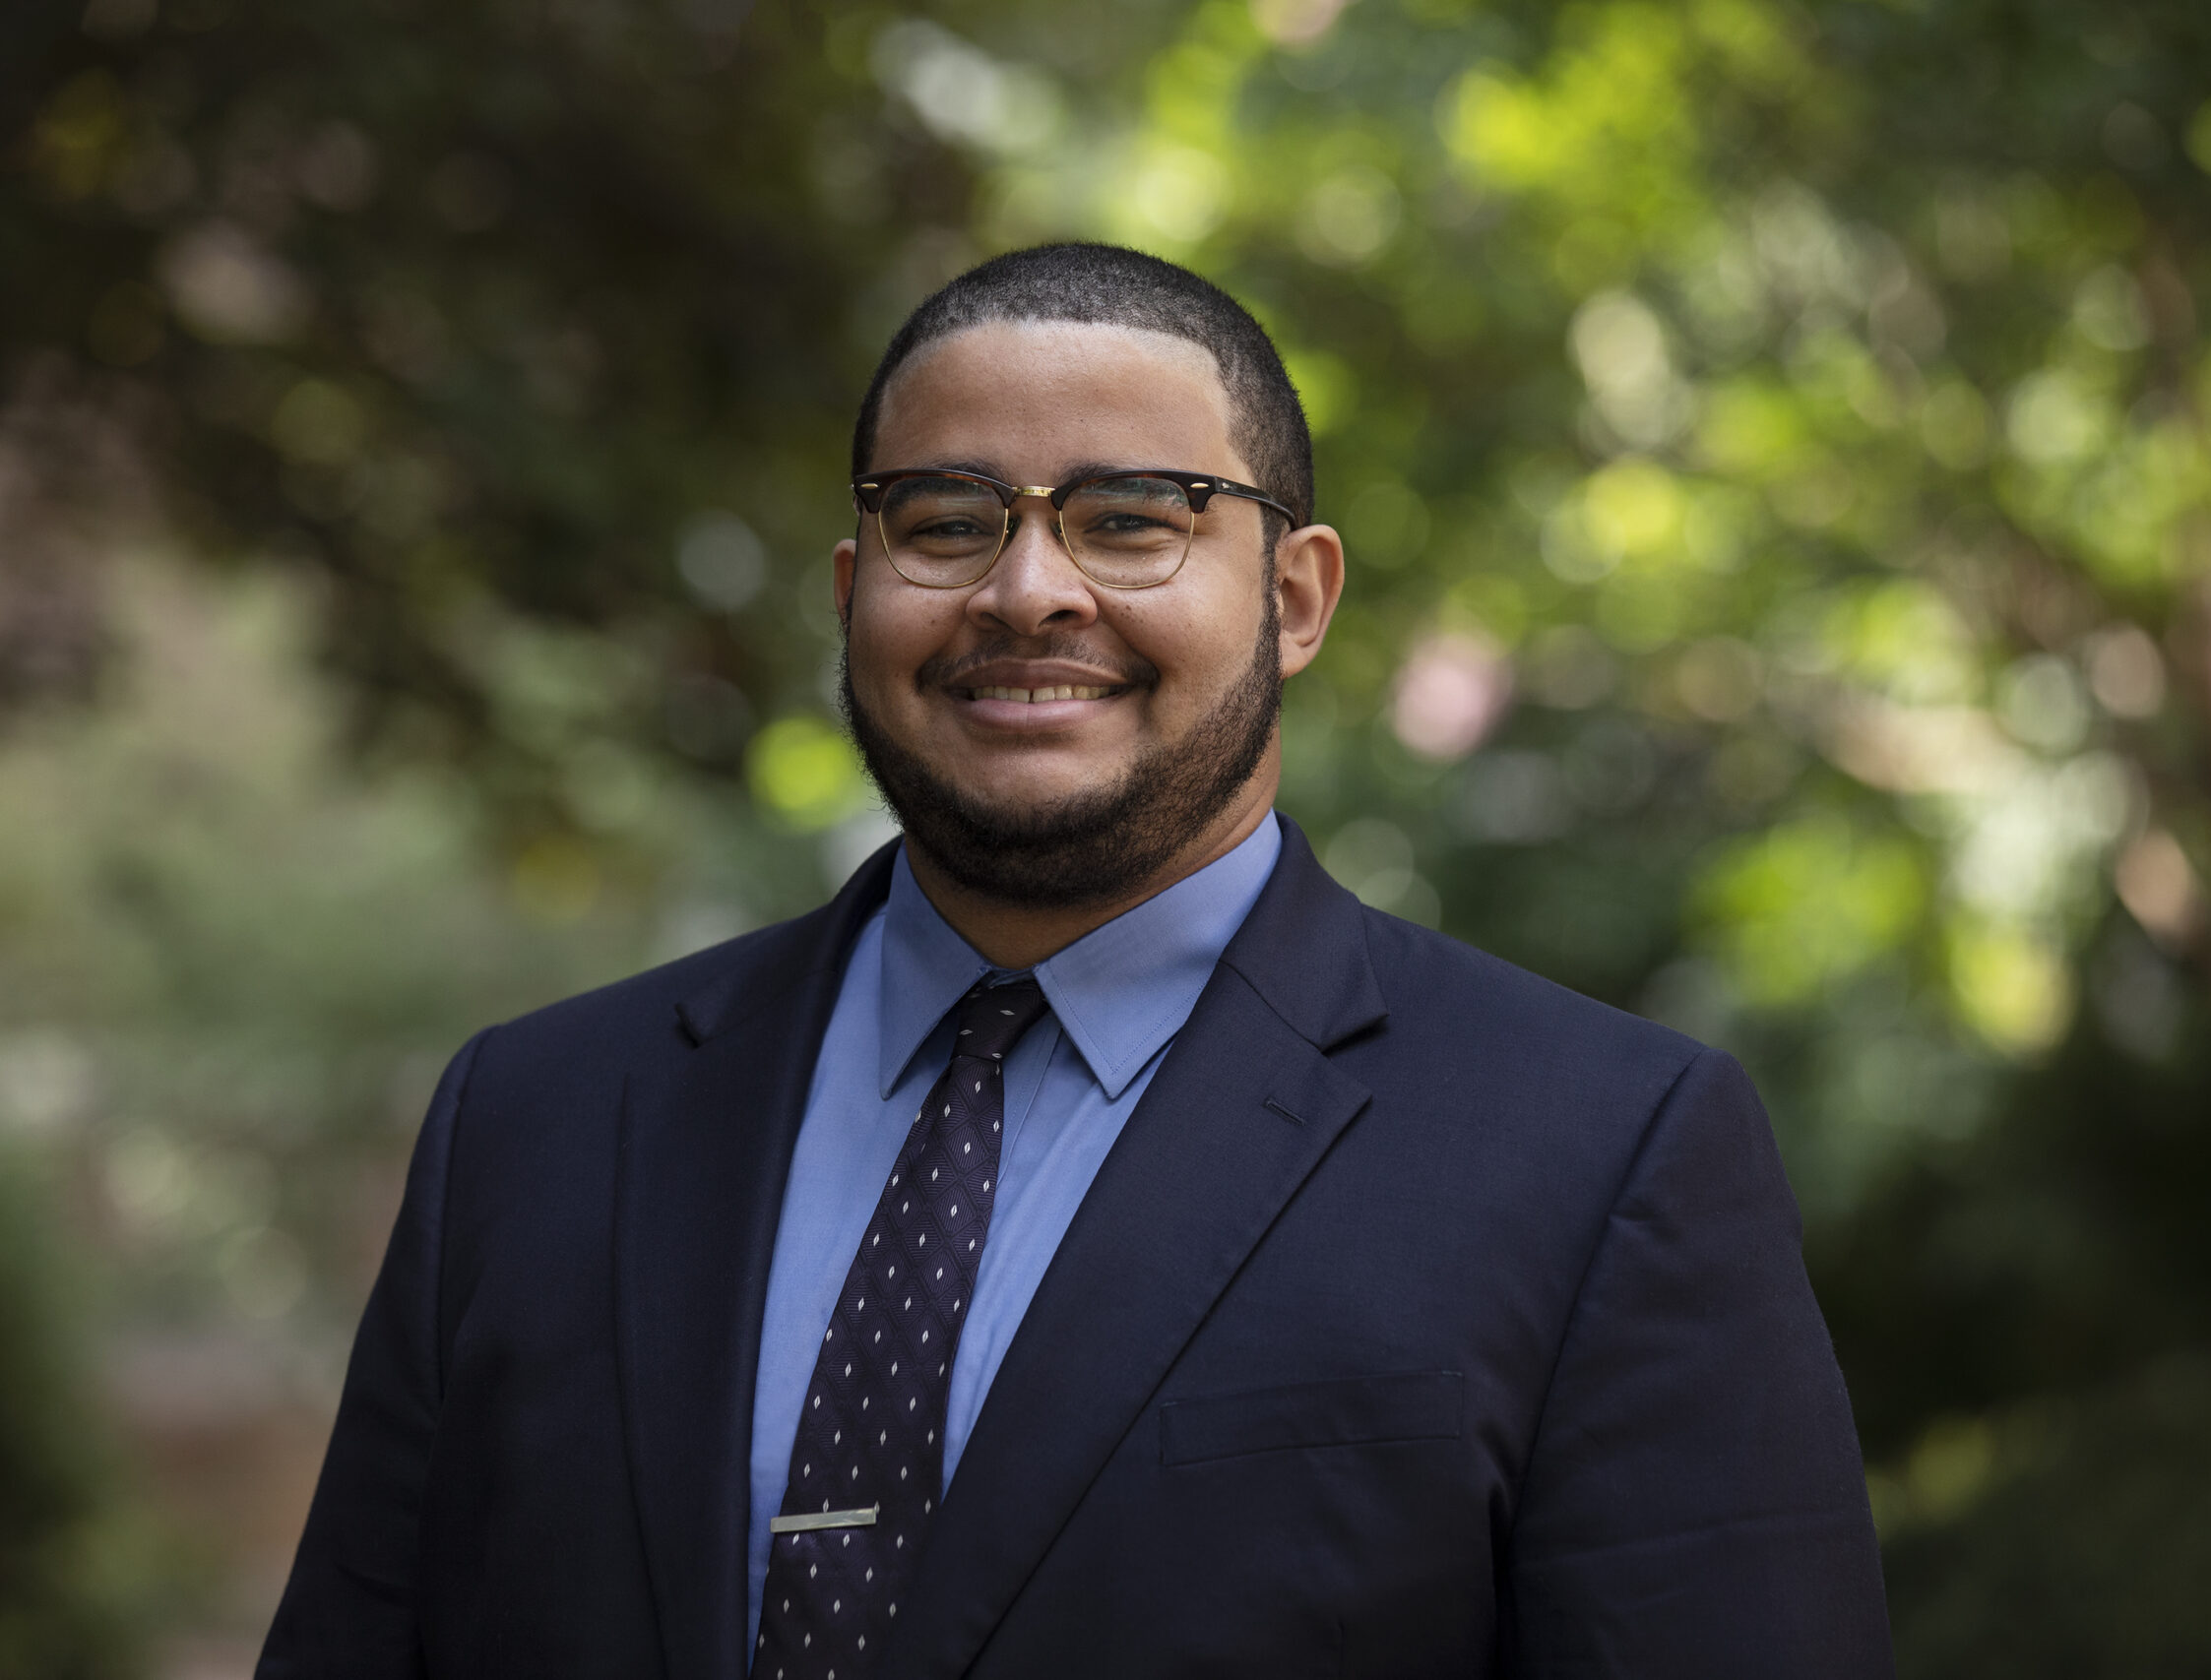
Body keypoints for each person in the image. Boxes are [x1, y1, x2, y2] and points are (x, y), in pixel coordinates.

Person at [258, 243, 1892, 1678]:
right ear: (855, 593)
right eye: (946, 521)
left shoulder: (1603, 1154)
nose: (1029, 591)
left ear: (1297, 596)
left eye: (1130, 521)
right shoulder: (536, 1123)